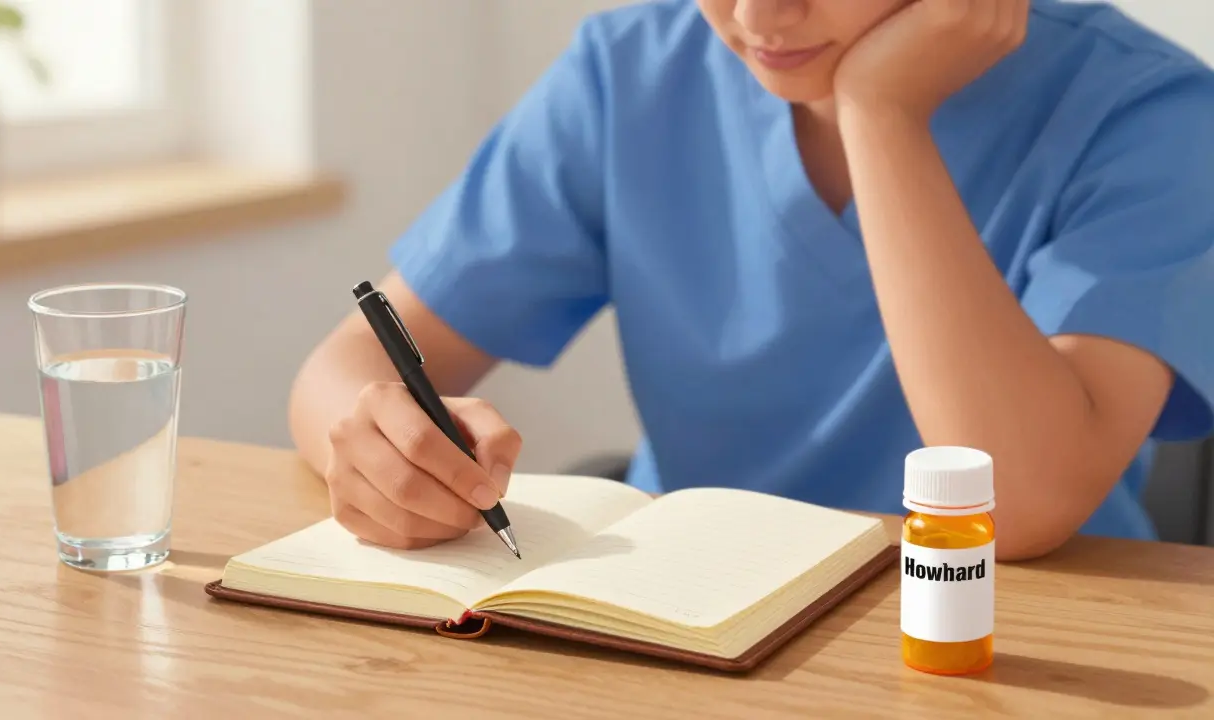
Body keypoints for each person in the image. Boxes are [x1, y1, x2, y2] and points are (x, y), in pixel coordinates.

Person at [288, 0, 1214, 562]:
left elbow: (1017, 505)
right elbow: (357, 357)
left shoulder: (1148, 112)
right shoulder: (630, 75)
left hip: (1017, 640)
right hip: (692, 625)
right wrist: (373, 450)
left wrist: (882, 114)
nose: (762, 20)